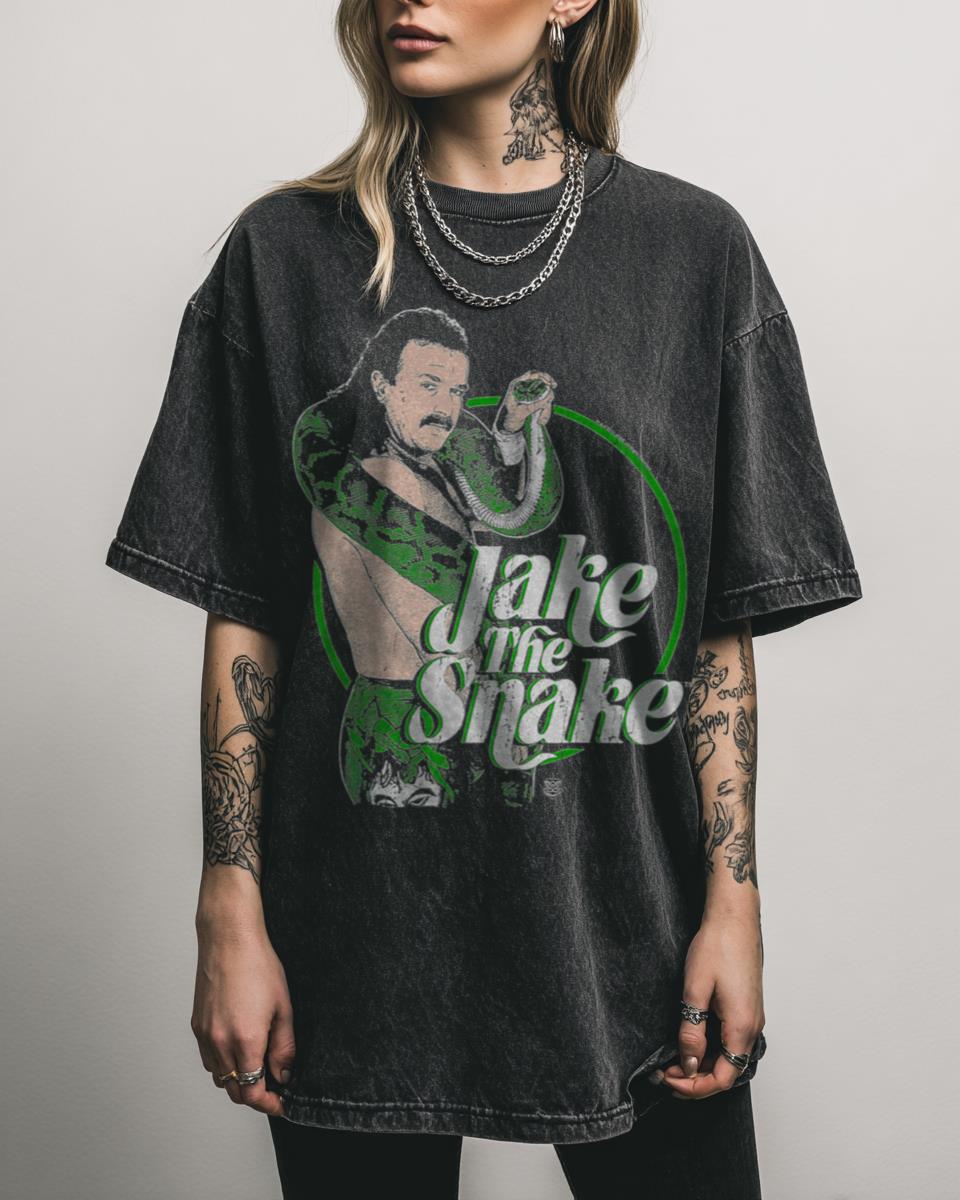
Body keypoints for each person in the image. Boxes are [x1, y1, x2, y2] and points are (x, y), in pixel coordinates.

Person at [104, 0, 864, 1196]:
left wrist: (735, 901)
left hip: (628, 922)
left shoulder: (694, 254)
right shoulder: (285, 255)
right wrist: (229, 905)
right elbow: (245, 610)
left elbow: (713, 630)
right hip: (356, 926)